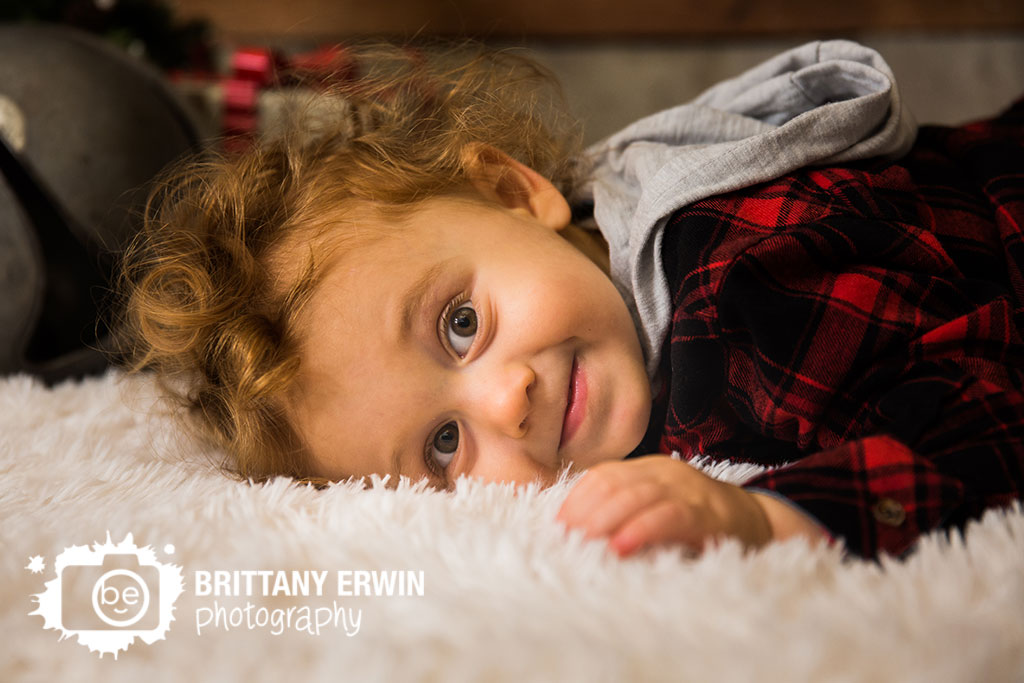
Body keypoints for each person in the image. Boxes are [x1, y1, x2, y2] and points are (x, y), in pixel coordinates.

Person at [117, 40, 1024, 561]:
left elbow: (983, 420)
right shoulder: (589, 246)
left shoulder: (742, 300)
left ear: (517, 193)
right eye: (443, 444)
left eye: (460, 326)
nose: (504, 401)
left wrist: (770, 515)